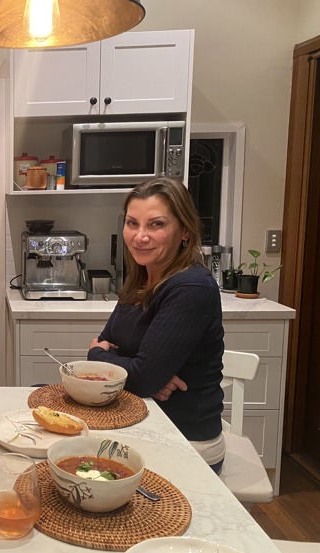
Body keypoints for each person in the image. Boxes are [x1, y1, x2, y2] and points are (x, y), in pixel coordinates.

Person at [87, 177, 225, 472]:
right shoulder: (141, 279)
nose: (140, 236)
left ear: (185, 231)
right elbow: (110, 347)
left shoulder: (191, 288)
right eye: (132, 223)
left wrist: (104, 357)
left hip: (184, 439)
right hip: (141, 420)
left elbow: (135, 373)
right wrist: (139, 371)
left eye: (156, 224)